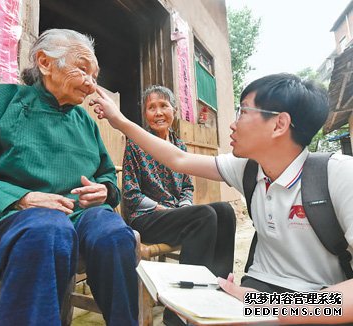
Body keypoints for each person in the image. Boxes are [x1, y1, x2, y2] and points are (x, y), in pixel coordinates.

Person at [92, 73, 353, 325]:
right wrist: (120, 120)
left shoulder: (338, 174)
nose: (232, 122)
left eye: (244, 111)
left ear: (279, 124)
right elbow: (178, 160)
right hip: (256, 290)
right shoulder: (247, 168)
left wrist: (271, 307)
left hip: (322, 299)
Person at [0, 29, 138, 326]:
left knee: (113, 233)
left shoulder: (85, 123)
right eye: (83, 69)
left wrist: (104, 190)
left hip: (78, 218)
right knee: (48, 228)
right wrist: (19, 199)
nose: (91, 84)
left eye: (95, 74)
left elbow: (106, 173)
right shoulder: (1, 102)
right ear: (44, 62)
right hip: (11, 220)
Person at [122, 85, 235, 325]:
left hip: (175, 216)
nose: (158, 112)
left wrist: (183, 206)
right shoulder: (136, 143)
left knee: (225, 211)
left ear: (174, 110)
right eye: (151, 107)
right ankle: (179, 311)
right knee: (203, 216)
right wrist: (166, 210)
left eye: (164, 106)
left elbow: (187, 188)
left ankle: (217, 289)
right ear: (145, 113)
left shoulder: (180, 147)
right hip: (146, 217)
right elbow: (131, 194)